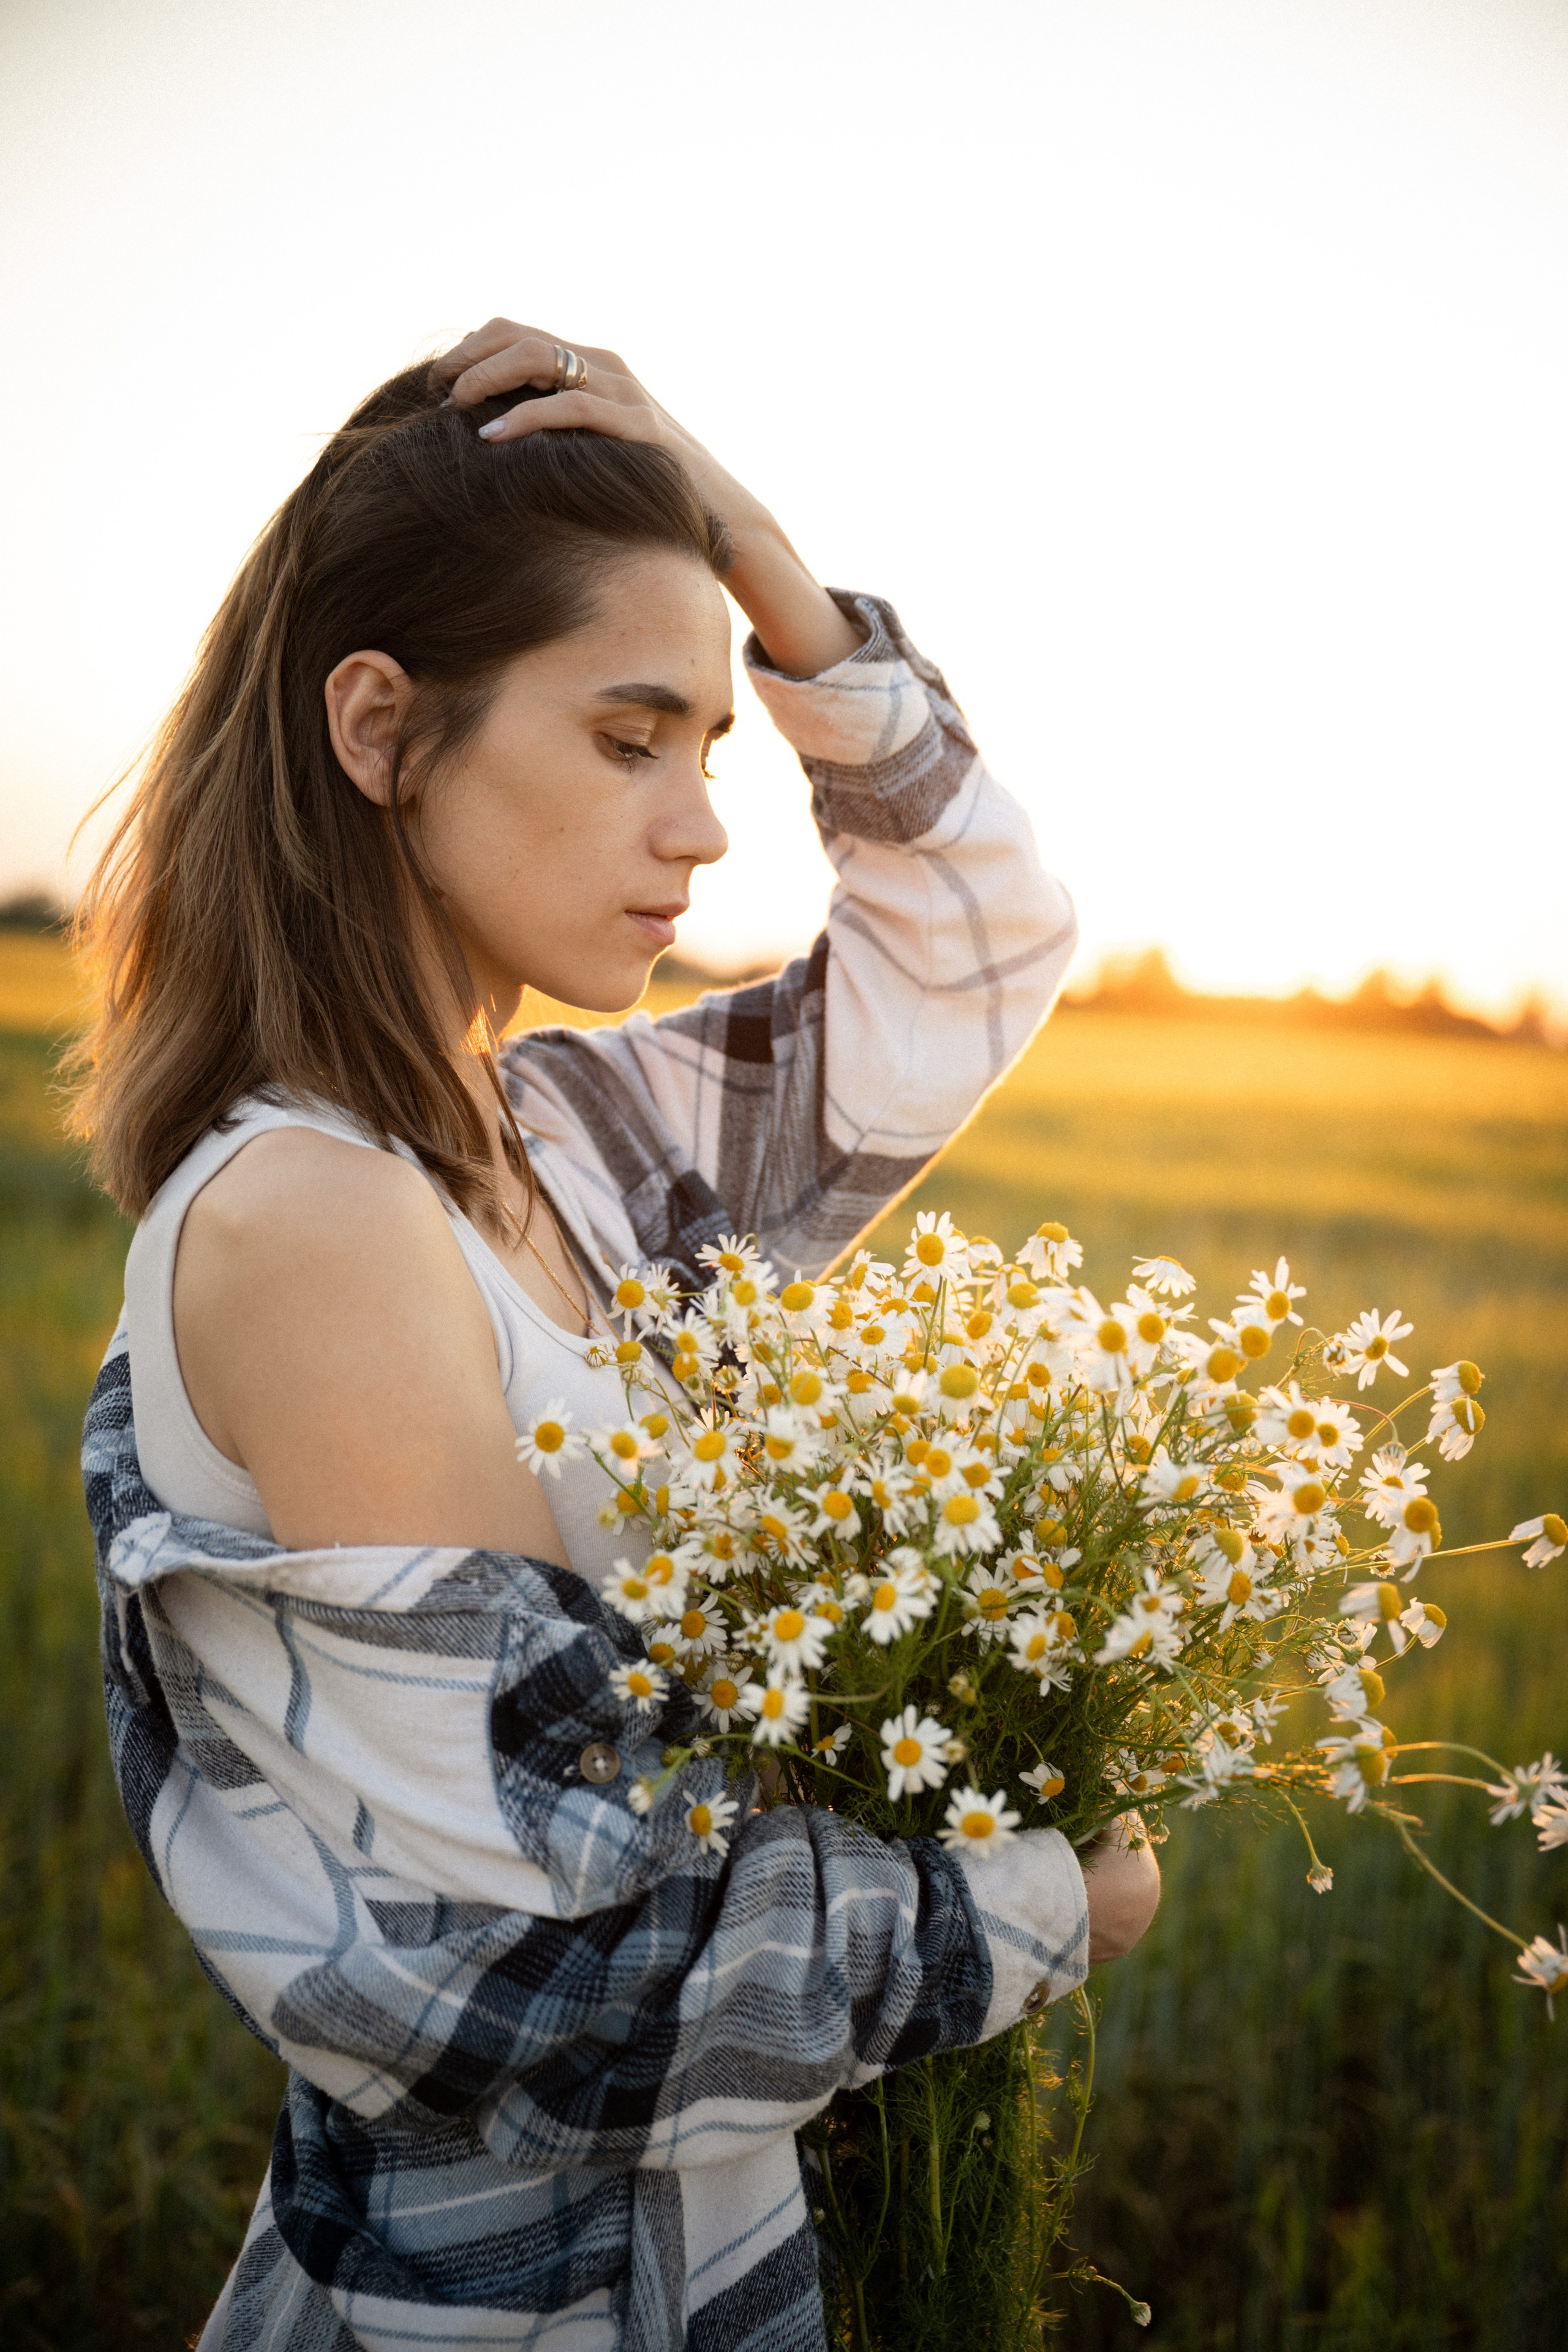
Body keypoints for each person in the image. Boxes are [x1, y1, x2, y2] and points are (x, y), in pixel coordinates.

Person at [73, 320, 1161, 2351]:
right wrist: (1033, 1911)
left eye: (713, 750)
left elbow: (981, 945)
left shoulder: (569, 1143)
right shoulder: (314, 1222)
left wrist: (756, 553)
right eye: (625, 736)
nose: (700, 830)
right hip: (505, 2308)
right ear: (381, 728)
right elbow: (541, 1980)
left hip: (715, 2257)